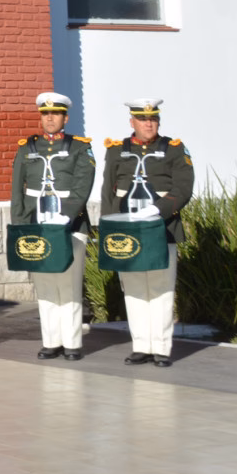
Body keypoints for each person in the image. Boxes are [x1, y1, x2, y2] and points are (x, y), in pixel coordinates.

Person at [100, 98, 194, 368]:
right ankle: (141, 345)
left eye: (152, 119)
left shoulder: (174, 150)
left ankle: (161, 348)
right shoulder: (118, 149)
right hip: (127, 230)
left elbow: (184, 188)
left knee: (161, 289)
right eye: (142, 119)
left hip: (161, 229)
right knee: (134, 289)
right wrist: (109, 227)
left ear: (158, 121)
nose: (148, 123)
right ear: (132, 122)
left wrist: (158, 210)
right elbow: (108, 191)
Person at [12, 92, 96, 361]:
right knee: (45, 284)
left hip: (70, 224)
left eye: (55, 114)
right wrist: (20, 224)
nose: (50, 118)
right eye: (45, 114)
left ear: (65, 118)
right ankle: (51, 341)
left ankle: (72, 342)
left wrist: (68, 214)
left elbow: (83, 185)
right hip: (37, 223)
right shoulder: (27, 148)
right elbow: (18, 189)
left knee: (69, 284)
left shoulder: (80, 147)